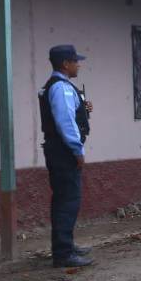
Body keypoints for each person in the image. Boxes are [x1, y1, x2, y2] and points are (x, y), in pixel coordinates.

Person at [38, 44, 93, 268]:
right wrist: (77, 150)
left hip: (59, 149)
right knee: (67, 201)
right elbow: (65, 122)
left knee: (64, 199)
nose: (78, 65)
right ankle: (63, 253)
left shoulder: (59, 86)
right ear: (65, 64)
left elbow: (69, 116)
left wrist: (84, 110)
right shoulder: (61, 88)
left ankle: (66, 246)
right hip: (63, 151)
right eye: (75, 61)